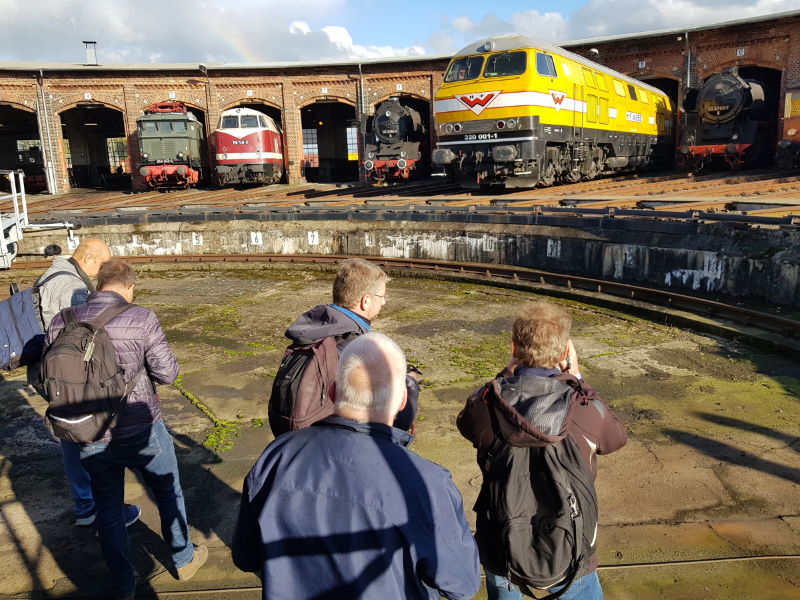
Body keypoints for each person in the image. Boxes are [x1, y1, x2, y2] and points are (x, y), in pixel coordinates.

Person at [233, 332, 481, 599]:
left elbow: (246, 557)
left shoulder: (277, 455)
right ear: (401, 400)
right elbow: (462, 584)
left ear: (332, 392)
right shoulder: (427, 482)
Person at [44, 260, 207, 600]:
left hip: (90, 432)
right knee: (167, 491)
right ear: (130, 286)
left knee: (108, 509)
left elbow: (51, 378)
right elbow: (167, 373)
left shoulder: (63, 320)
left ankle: (123, 584)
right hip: (141, 428)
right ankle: (183, 559)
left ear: (98, 284)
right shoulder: (142, 318)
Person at [457, 301, 628, 600]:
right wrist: (580, 381)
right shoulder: (585, 409)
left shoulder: (485, 405)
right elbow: (616, 439)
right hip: (572, 546)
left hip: (502, 541)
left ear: (513, 347)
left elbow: (465, 424)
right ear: (565, 353)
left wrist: (503, 374)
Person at [28, 238, 141, 529]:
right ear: (90, 259)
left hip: (56, 374)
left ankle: (86, 504)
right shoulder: (70, 286)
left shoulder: (53, 275)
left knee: (70, 435)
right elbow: (85, 333)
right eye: (102, 265)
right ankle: (98, 507)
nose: (102, 273)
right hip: (70, 379)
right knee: (87, 436)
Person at [280, 257, 419, 432]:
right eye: (382, 296)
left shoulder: (316, 327)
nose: (384, 301)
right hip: (332, 437)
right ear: (366, 301)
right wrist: (411, 385)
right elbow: (387, 414)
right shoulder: (357, 346)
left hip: (293, 430)